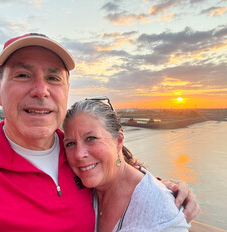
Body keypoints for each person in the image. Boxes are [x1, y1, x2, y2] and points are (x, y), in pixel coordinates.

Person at [0, 33, 199, 231]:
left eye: (53, 77)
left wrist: (166, 192)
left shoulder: (78, 156)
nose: (41, 90)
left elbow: (121, 179)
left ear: (67, 89)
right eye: (23, 75)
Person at [63, 98, 191, 231]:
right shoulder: (83, 190)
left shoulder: (162, 211)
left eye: (91, 138)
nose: (79, 154)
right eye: (70, 144)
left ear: (119, 141)